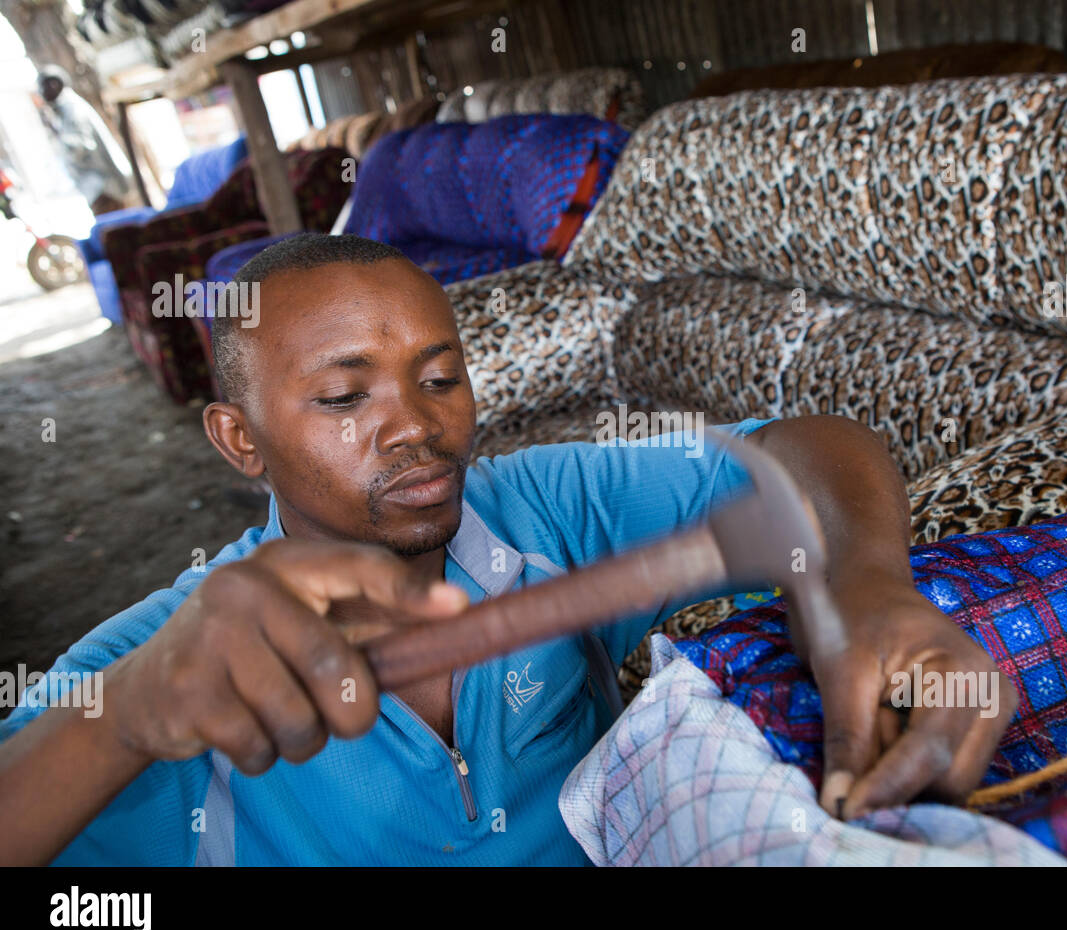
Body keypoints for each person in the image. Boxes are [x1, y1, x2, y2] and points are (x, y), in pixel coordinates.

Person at [0, 234, 1015, 865]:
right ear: (239, 439)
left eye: (439, 377)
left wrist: (864, 584)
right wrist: (124, 719)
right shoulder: (166, 664)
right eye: (346, 398)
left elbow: (810, 448)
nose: (415, 428)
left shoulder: (536, 511)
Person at [35, 66, 134, 215]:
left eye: (44, 87)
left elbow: (81, 147)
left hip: (103, 187)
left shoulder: (71, 108)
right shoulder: (63, 110)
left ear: (55, 84)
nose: (42, 93)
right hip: (98, 188)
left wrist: (56, 135)